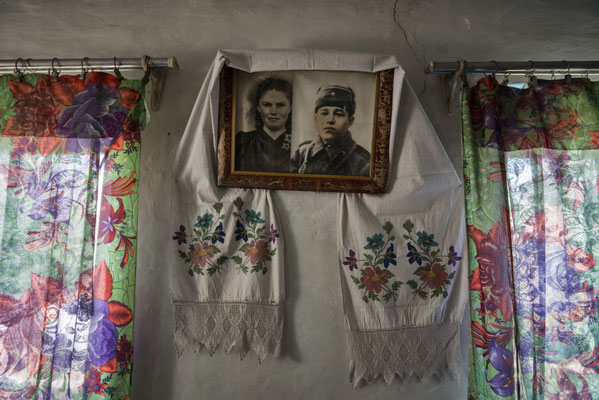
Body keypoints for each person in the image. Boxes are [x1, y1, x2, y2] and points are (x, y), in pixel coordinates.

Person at [291, 85, 370, 176]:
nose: (330, 120)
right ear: (316, 118)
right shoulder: (302, 153)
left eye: (339, 114)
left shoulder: (363, 162)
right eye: (324, 113)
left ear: (350, 121)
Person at [235, 77, 293, 173]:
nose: (273, 112)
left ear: (290, 108)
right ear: (258, 107)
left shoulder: (299, 145)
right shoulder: (243, 143)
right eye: (267, 105)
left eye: (280, 105)